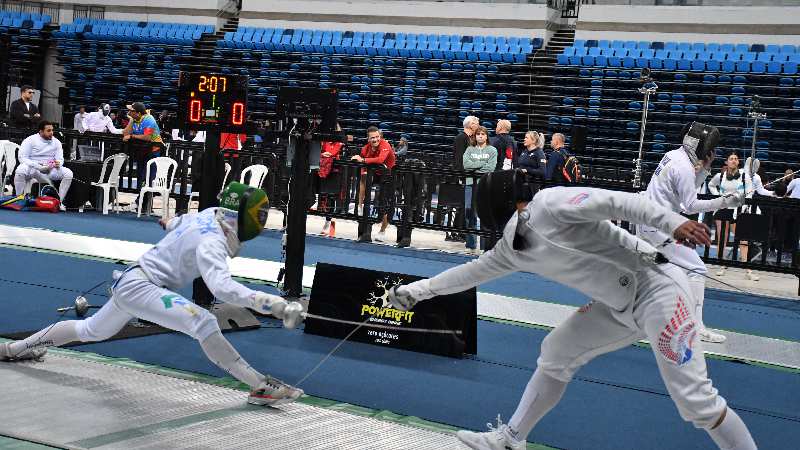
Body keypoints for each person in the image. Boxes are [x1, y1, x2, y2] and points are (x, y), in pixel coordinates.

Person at [386, 170, 756, 450]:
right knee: (556, 351)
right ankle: (512, 438)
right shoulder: (511, 248)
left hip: (658, 288)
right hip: (618, 306)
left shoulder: (549, 203)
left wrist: (673, 222)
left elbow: (619, 202)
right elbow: (466, 274)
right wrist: (416, 292)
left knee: (697, 403)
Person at [0, 182, 306, 406]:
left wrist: (168, 222)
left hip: (136, 282)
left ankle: (14, 350)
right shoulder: (212, 242)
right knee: (203, 322)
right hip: (142, 285)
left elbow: (177, 222)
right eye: (260, 216)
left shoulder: (210, 214)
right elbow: (222, 288)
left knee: (89, 330)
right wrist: (273, 305)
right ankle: (259, 386)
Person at [640, 123, 746, 344]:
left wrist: (706, 168)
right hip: (659, 226)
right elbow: (689, 205)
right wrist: (725, 201)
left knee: (664, 273)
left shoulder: (672, 155)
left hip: (650, 221)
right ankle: (696, 327)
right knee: (696, 268)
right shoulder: (683, 167)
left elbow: (684, 192)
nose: (710, 150)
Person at [708, 151, 754, 280]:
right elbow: (711, 185)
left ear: (738, 162)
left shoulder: (745, 176)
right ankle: (722, 265)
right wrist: (718, 196)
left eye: (736, 158)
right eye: (731, 158)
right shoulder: (720, 175)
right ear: (726, 162)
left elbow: (749, 192)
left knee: (742, 239)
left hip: (738, 209)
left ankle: (748, 269)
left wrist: (745, 205)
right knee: (722, 238)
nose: (733, 160)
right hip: (723, 208)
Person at [13, 121, 74, 212]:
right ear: (41, 131)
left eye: (52, 130)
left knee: (68, 173)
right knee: (20, 170)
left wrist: (58, 163)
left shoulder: (56, 142)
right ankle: (18, 199)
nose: (51, 133)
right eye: (48, 131)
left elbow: (60, 159)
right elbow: (22, 158)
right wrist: (38, 166)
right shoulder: (30, 140)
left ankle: (59, 202)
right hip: (33, 168)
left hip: (49, 169)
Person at [351, 126, 396, 242]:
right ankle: (359, 206)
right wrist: (359, 161)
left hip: (389, 175)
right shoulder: (365, 148)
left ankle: (382, 230)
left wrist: (364, 160)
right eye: (372, 138)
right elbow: (362, 165)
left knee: (383, 205)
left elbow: (380, 160)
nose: (375, 140)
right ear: (368, 139)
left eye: (377, 137)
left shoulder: (385, 145)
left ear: (380, 137)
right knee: (363, 178)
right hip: (375, 174)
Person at [123, 102, 164, 211]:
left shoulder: (148, 119)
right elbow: (125, 133)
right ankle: (141, 203)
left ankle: (144, 204)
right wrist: (131, 120)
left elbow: (147, 137)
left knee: (148, 178)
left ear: (138, 112)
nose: (129, 112)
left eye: (131, 111)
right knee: (141, 177)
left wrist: (131, 136)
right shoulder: (135, 119)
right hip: (143, 151)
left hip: (153, 151)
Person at [463, 126, 497, 254]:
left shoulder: (492, 150)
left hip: (485, 185)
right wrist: (482, 164)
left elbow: (491, 168)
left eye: (483, 134)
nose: (480, 136)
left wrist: (475, 167)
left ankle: (485, 247)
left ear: (487, 136)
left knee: (484, 215)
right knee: (469, 214)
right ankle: (471, 245)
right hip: (470, 184)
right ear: (475, 136)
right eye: (478, 134)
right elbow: (466, 165)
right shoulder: (469, 149)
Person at [449, 116, 479, 242]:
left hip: (468, 177)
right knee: (461, 205)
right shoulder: (462, 138)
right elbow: (459, 160)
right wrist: (463, 176)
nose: (477, 124)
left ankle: (461, 231)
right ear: (469, 125)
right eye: (475, 122)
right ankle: (457, 232)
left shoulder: (469, 138)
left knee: (465, 206)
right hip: (463, 177)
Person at [318, 124, 345, 237]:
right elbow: (319, 152)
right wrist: (322, 154)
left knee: (331, 197)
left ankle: (328, 221)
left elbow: (334, 153)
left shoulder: (341, 142)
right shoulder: (323, 141)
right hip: (323, 171)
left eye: (336, 130)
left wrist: (326, 155)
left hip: (335, 172)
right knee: (322, 195)